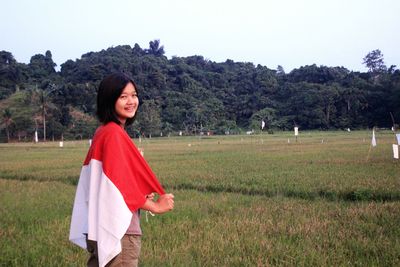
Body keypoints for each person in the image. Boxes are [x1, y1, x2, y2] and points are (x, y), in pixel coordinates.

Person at [69, 72, 174, 267]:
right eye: (123, 96)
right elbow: (119, 184)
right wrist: (155, 207)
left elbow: (110, 181)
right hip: (119, 231)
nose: (131, 101)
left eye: (134, 95)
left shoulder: (104, 132)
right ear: (110, 100)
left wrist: (141, 193)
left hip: (103, 226)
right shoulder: (114, 134)